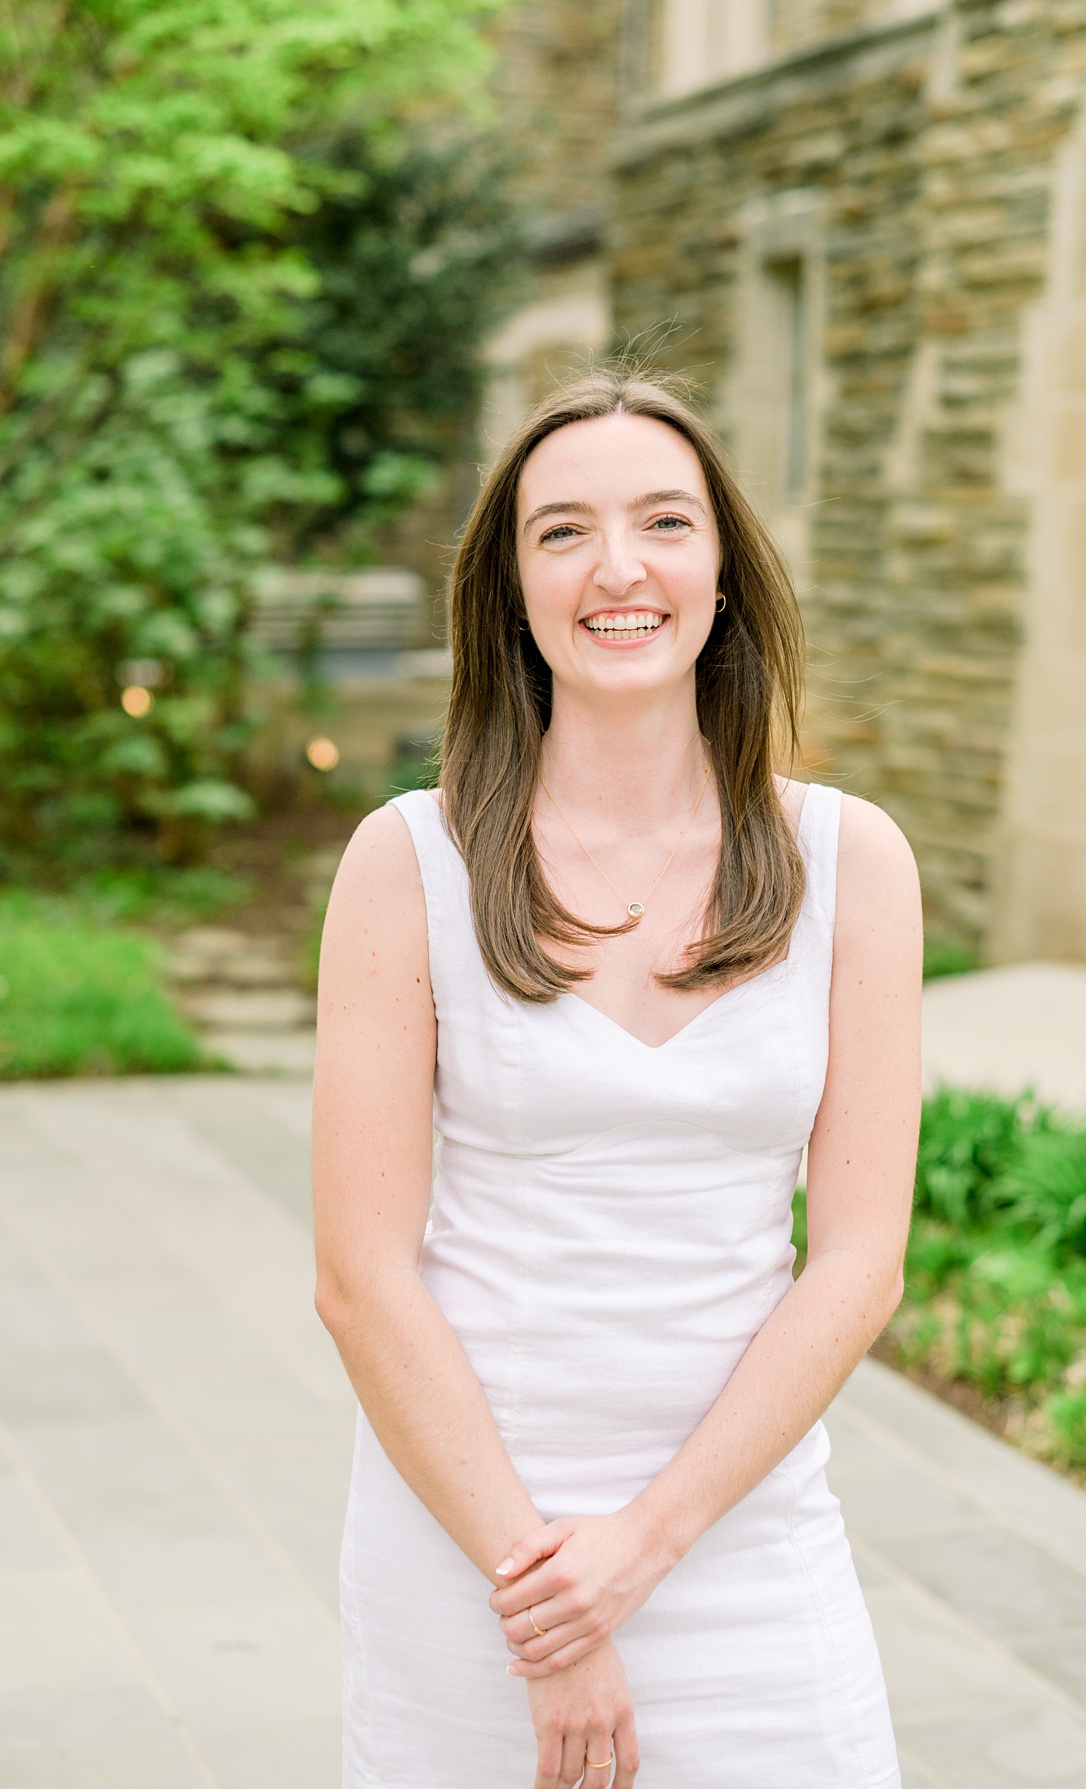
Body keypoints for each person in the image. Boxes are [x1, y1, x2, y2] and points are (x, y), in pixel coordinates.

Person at [313, 367, 921, 1788]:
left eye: (664, 521)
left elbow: (858, 1264)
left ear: (723, 573)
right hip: (473, 1548)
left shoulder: (852, 862)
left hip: (743, 1545)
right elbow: (360, 1277)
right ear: (511, 589)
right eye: (563, 531)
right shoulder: (409, 862)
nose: (620, 567)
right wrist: (554, 1606)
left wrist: (640, 1551)